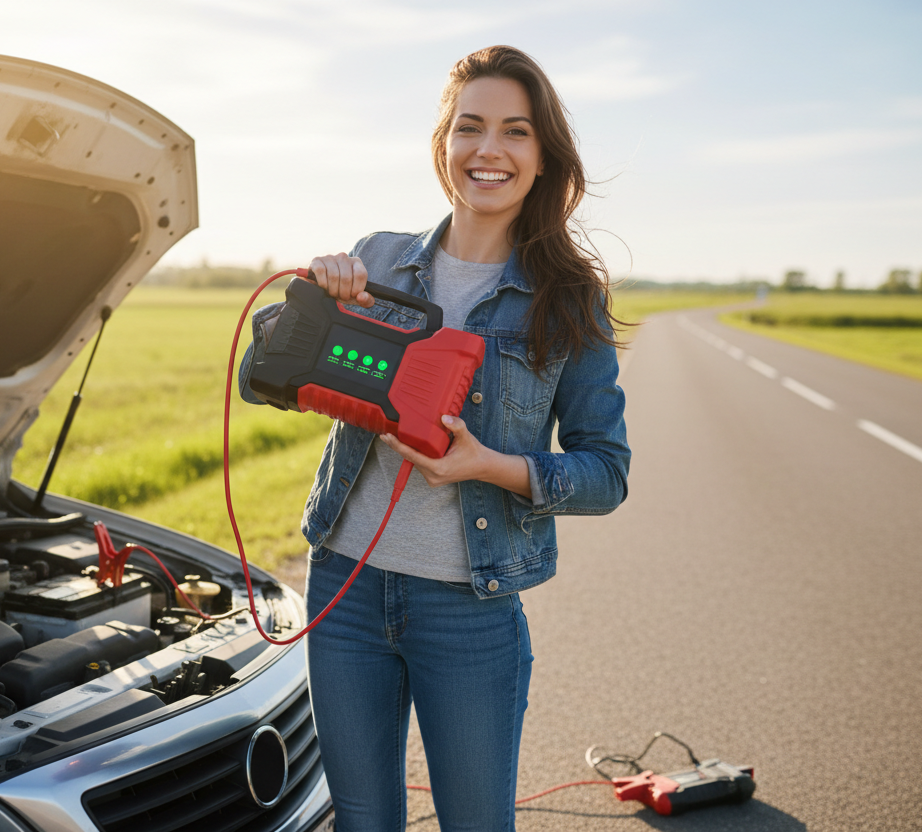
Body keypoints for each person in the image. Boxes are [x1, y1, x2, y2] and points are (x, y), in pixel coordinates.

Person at [239, 45, 630, 831]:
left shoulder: (568, 301)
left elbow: (606, 472)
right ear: (443, 144)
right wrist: (308, 304)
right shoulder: (379, 257)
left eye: (515, 132)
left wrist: (490, 466)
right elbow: (262, 377)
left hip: (468, 608)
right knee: (362, 821)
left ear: (542, 154)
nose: (489, 150)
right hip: (344, 586)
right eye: (470, 127)